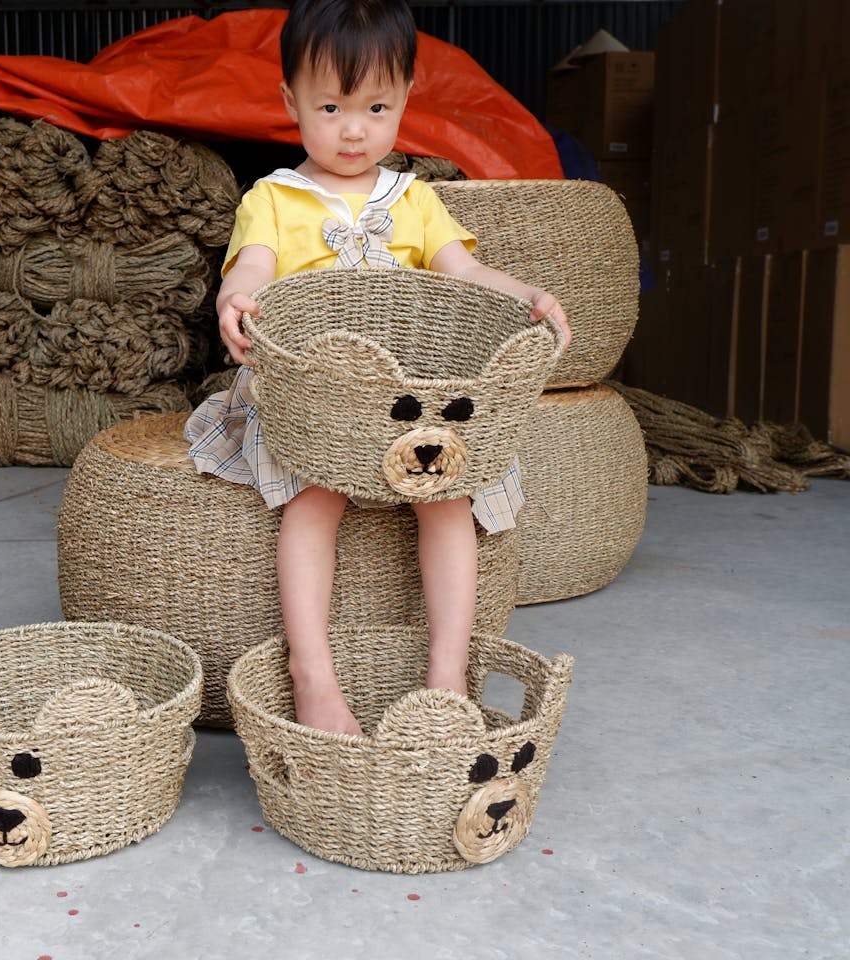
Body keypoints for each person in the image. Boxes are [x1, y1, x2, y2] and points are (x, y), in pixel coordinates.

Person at [185, 0, 571, 736]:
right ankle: (313, 675)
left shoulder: (415, 199)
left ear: (405, 102)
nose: (353, 128)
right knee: (316, 497)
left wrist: (527, 294)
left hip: (407, 396)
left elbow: (464, 272)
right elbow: (254, 268)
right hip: (318, 397)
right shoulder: (273, 197)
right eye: (329, 106)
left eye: (376, 106)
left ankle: (447, 675)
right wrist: (234, 298)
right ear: (289, 101)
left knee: (447, 494)